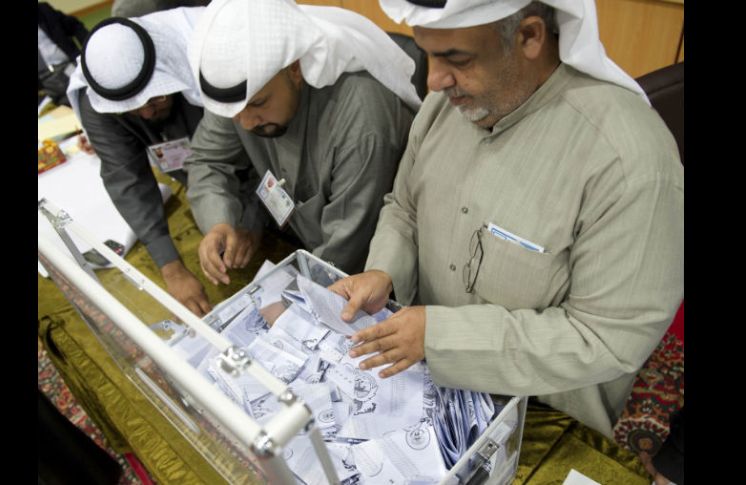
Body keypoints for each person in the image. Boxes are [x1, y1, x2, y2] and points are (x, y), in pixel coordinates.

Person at [330, 0, 684, 439]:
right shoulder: (447, 104)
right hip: (417, 383)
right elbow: (403, 208)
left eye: (457, 58)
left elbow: (606, 339)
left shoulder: (629, 160)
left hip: (541, 422)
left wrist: (440, 338)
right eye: (429, 55)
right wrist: (384, 270)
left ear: (530, 36)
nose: (433, 80)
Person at [184, 0, 421, 282]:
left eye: (259, 103)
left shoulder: (362, 120)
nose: (247, 123)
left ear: (295, 69)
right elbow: (207, 159)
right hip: (295, 245)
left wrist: (288, 299)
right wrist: (219, 221)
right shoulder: (239, 94)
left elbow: (345, 249)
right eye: (234, 114)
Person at [66, 7, 212, 316]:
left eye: (156, 97)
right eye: (131, 108)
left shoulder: (199, 56)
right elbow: (126, 178)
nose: (147, 114)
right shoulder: (98, 103)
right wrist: (172, 269)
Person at [38, 2, 89, 106]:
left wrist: (88, 51)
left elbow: (75, 26)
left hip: (69, 67)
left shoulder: (43, 11)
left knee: (87, 99)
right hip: (44, 84)